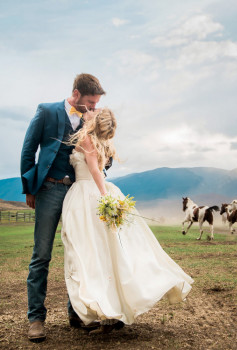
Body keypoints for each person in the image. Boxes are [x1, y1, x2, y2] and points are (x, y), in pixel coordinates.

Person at [61, 108, 193, 334]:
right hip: (95, 193)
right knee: (106, 254)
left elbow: (94, 171)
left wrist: (106, 200)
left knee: (89, 253)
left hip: (86, 197)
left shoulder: (87, 140)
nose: (88, 111)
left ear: (95, 121)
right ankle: (109, 309)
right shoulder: (101, 143)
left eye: (93, 110)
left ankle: (105, 309)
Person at [20, 73, 106, 342]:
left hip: (78, 192)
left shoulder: (91, 119)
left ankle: (77, 313)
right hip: (48, 189)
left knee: (79, 254)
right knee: (42, 254)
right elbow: (28, 149)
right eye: (90, 103)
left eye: (96, 104)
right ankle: (36, 319)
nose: (92, 108)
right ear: (76, 93)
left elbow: (101, 155)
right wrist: (29, 188)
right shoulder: (46, 111)